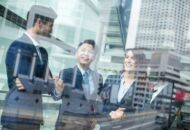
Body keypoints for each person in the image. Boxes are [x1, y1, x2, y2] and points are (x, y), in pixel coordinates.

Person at [1, 5, 61, 130]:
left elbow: (45, 85)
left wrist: (56, 87)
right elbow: (25, 82)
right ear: (39, 23)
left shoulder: (42, 52)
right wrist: (50, 83)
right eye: (50, 26)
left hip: (34, 117)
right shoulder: (18, 46)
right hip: (17, 116)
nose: (51, 31)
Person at [54, 39, 103, 130]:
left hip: (86, 124)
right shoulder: (66, 73)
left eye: (90, 52)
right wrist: (58, 91)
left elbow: (98, 101)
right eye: (83, 50)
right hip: (67, 123)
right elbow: (56, 97)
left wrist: (95, 117)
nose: (86, 54)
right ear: (77, 53)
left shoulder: (98, 77)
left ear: (94, 57)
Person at [100, 49, 144, 119]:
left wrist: (125, 115)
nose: (128, 61)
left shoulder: (141, 87)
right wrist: (110, 114)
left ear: (139, 63)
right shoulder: (111, 79)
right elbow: (100, 105)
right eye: (127, 57)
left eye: (133, 58)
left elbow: (141, 114)